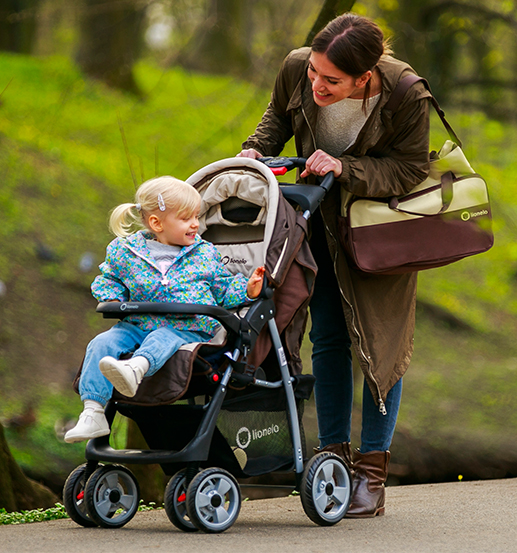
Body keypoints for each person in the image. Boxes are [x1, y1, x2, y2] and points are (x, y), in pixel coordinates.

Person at [237, 13, 431, 517]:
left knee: (379, 344)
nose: (318, 85)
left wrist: (347, 167)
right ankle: (334, 460)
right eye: (315, 74)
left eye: (333, 80)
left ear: (364, 77)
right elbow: (278, 118)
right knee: (326, 337)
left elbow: (411, 168)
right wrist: (253, 156)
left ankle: (372, 474)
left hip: (378, 232)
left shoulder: (405, 92)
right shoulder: (297, 67)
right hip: (316, 222)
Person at [64, 176, 265, 443]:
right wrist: (113, 298)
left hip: (187, 329)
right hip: (137, 324)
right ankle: (93, 412)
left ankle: (136, 368)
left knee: (162, 337)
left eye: (196, 216)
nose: (195, 224)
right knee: (102, 342)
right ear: (156, 223)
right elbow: (108, 279)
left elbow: (223, 288)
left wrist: (248, 290)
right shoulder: (125, 252)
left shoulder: (205, 254)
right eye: (186, 219)